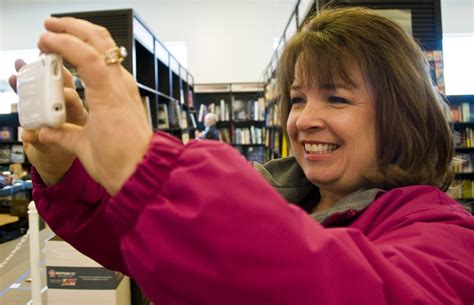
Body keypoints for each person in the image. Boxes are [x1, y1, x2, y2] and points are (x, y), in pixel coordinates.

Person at [8, 7, 474, 305]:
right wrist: (65, 169)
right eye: (296, 99)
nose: (304, 121)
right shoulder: (270, 187)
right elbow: (140, 235)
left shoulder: (445, 236)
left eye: (336, 99)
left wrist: (148, 169)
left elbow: (339, 287)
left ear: (401, 114)